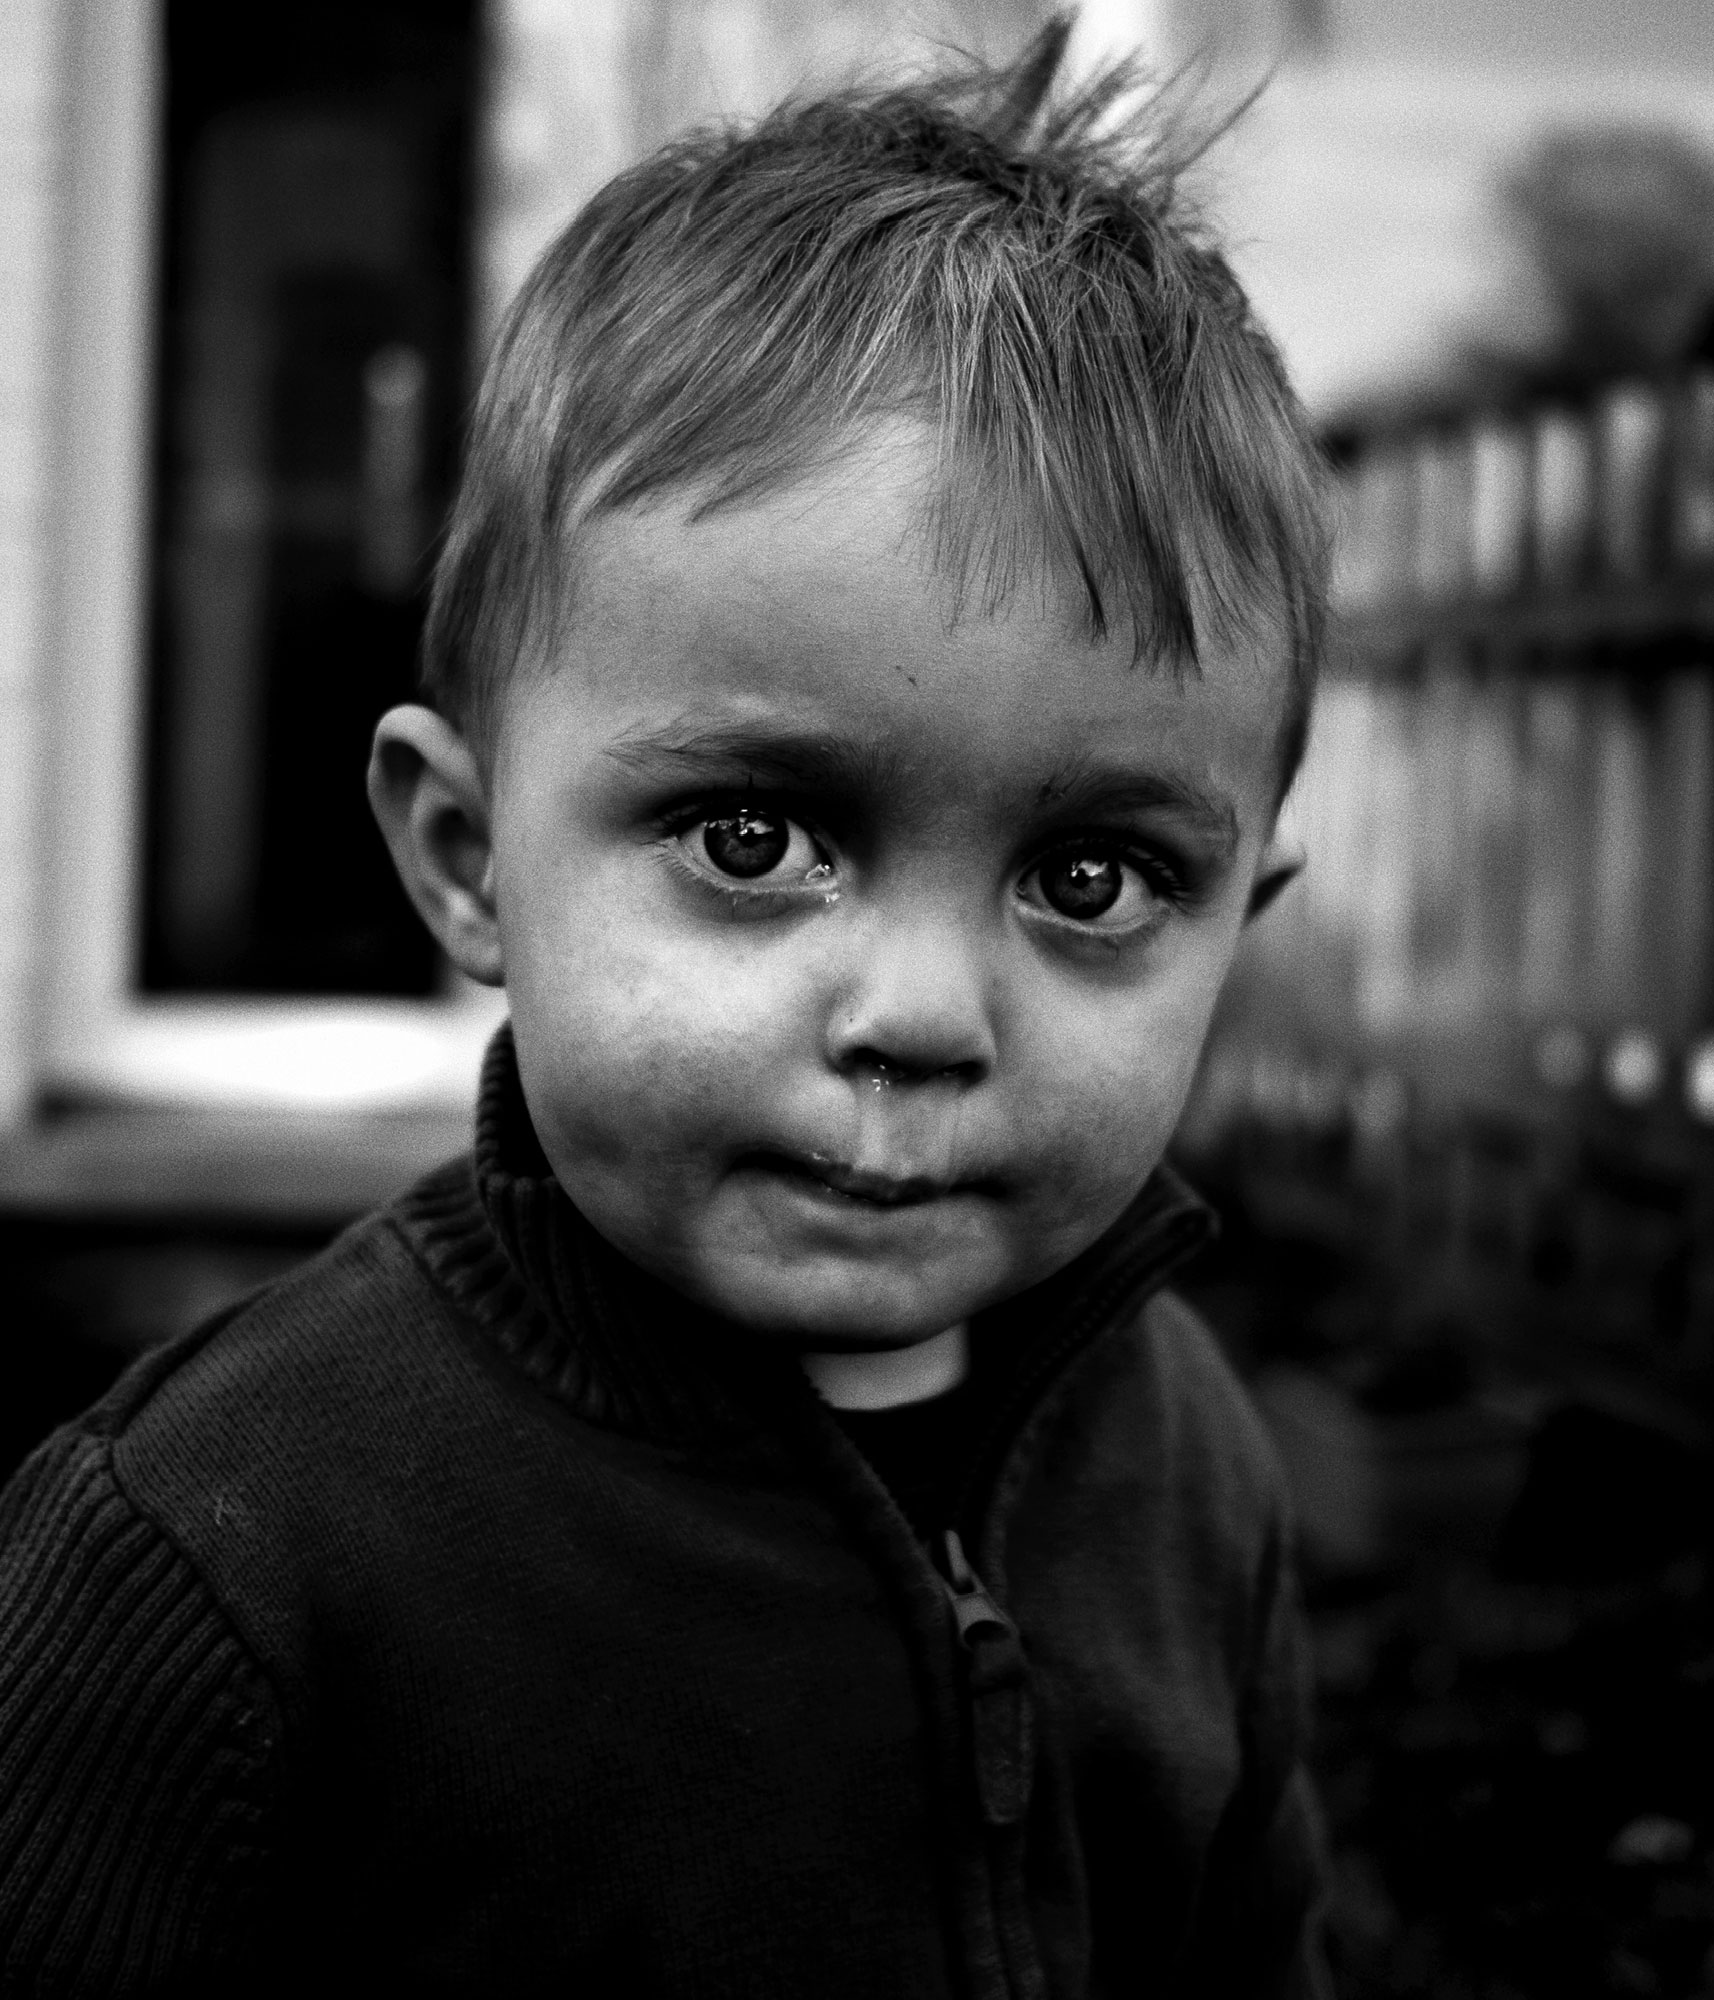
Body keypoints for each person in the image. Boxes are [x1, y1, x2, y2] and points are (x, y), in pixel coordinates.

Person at [0, 22, 1334, 1995]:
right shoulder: (217, 1553)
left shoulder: (1185, 1469)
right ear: (465, 853)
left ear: (1240, 919)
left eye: (1088, 880)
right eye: (752, 836)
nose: (917, 1015)